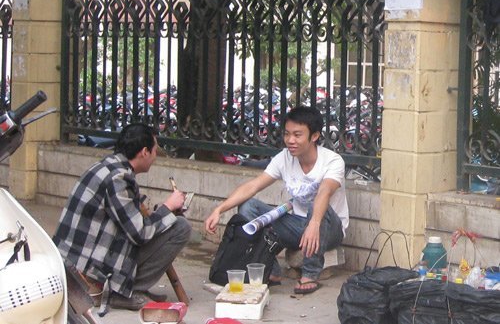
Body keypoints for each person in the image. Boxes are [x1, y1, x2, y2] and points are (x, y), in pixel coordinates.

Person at [205, 106, 348, 295]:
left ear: (314, 136)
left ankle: (310, 274)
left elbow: (324, 192)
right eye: (287, 134)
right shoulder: (284, 158)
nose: (290, 140)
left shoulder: (332, 161)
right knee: (248, 206)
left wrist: (314, 224)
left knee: (317, 206)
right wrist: (219, 209)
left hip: (328, 228)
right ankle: (270, 270)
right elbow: (253, 186)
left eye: (297, 135)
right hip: (296, 226)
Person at [53, 123, 191, 313]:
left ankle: (125, 288)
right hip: (84, 269)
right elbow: (140, 234)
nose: (155, 156)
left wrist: (163, 212)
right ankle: (122, 293)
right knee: (181, 227)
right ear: (144, 152)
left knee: (170, 223)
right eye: (154, 150)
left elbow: (129, 219)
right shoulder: (118, 178)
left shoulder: (108, 166)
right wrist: (168, 207)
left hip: (77, 259)